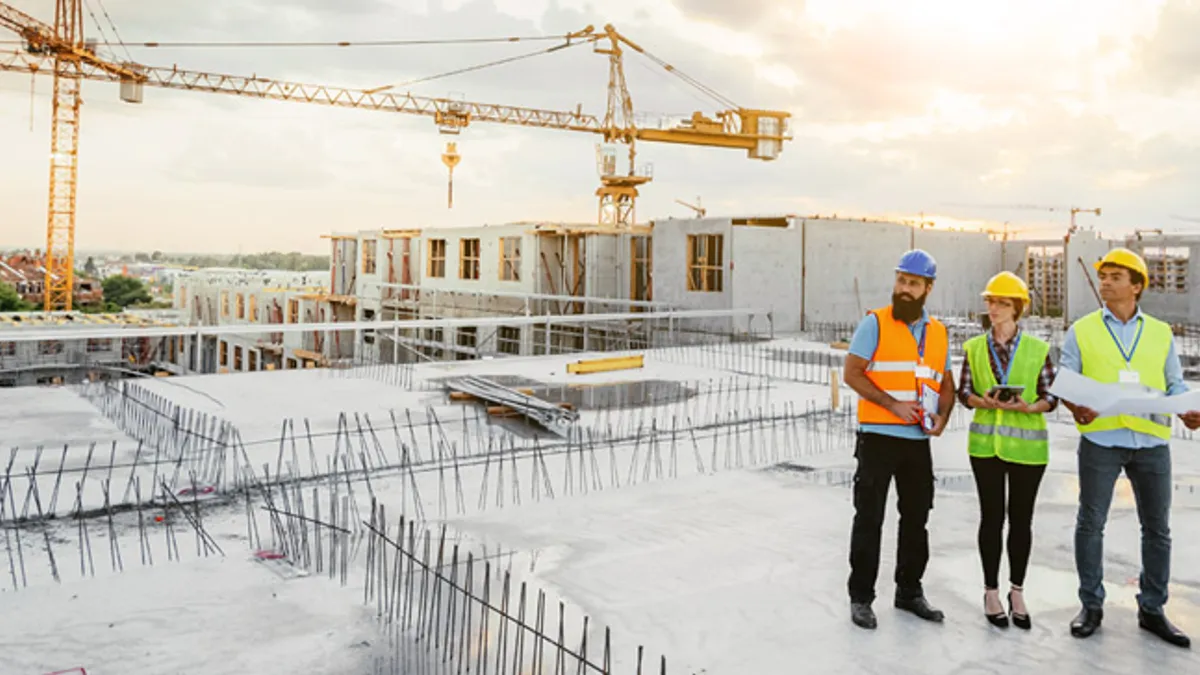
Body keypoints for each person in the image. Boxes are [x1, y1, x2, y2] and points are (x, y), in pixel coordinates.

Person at [1057, 247, 1200, 647]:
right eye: (1103, 275)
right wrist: (1075, 407)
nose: (1105, 281)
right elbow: (1065, 379)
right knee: (1091, 524)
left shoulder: (1159, 332)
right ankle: (1091, 605)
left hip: (1151, 442)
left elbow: (1174, 383)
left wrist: (1189, 409)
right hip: (1101, 439)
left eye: (1116, 276)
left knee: (1158, 529)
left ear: (1136, 286)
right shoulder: (1082, 329)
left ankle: (1152, 609)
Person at [842, 249, 956, 630]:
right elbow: (853, 374)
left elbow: (945, 385)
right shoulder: (874, 323)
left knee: (917, 518)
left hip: (917, 441)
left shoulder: (938, 332)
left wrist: (942, 416)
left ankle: (909, 592)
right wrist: (892, 404)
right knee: (869, 518)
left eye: (912, 283)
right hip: (877, 437)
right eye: (901, 281)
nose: (904, 289)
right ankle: (861, 597)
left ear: (928, 288)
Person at [957, 272, 1057, 630]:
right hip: (986, 448)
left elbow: (1050, 397)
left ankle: (1017, 591)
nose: (993, 308)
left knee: (1021, 521)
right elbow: (963, 392)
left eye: (1001, 303)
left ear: (1017, 308)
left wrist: (1028, 408)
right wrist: (978, 400)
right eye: (990, 302)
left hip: (1028, 452)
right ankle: (990, 591)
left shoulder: (1037, 349)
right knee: (991, 519)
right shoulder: (973, 348)